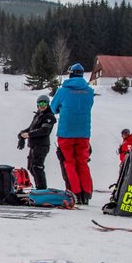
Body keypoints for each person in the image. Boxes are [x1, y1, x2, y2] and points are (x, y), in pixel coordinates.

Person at [50, 63, 95, 204]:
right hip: (83, 133)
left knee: (69, 162)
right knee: (82, 162)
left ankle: (75, 192)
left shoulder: (63, 90)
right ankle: (86, 193)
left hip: (66, 132)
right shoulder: (89, 91)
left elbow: (53, 108)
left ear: (70, 74)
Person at [17, 95, 55, 190]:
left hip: (41, 145)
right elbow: (31, 129)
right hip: (34, 146)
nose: (42, 106)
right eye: (40, 103)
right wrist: (21, 135)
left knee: (37, 167)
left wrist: (29, 134)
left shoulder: (49, 116)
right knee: (30, 167)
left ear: (47, 104)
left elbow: (44, 130)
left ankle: (42, 189)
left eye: (44, 103)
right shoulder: (38, 115)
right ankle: (39, 188)